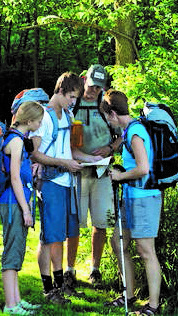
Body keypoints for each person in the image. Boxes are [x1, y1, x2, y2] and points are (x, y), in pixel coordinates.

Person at [29, 72, 89, 304]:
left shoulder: (70, 114)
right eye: (71, 97)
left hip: (67, 182)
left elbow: (74, 149)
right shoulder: (43, 117)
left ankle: (61, 284)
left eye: (76, 98)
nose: (74, 102)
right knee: (50, 237)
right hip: (50, 181)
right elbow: (35, 154)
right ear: (60, 91)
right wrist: (64, 163)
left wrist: (93, 159)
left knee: (62, 236)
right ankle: (50, 289)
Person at [102, 89, 162, 315]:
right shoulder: (129, 131)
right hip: (131, 197)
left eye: (108, 117)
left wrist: (120, 176)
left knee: (146, 250)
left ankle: (153, 307)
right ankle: (129, 295)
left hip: (145, 198)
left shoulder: (135, 132)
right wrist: (121, 172)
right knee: (118, 244)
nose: (109, 122)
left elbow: (143, 168)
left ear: (114, 114)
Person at [65, 64, 122, 290]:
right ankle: (69, 270)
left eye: (99, 88)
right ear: (83, 80)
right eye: (91, 86)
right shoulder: (73, 102)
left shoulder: (106, 106)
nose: (93, 91)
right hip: (77, 172)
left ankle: (95, 269)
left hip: (102, 173)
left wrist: (110, 148)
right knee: (74, 223)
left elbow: (123, 134)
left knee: (101, 223)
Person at [0, 101, 45, 315]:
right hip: (12, 203)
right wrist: (26, 210)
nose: (40, 124)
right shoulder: (16, 142)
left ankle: (16, 300)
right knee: (11, 253)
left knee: (17, 250)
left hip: (17, 201)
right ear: (29, 121)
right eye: (38, 121)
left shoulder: (19, 139)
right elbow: (15, 178)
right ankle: (10, 306)